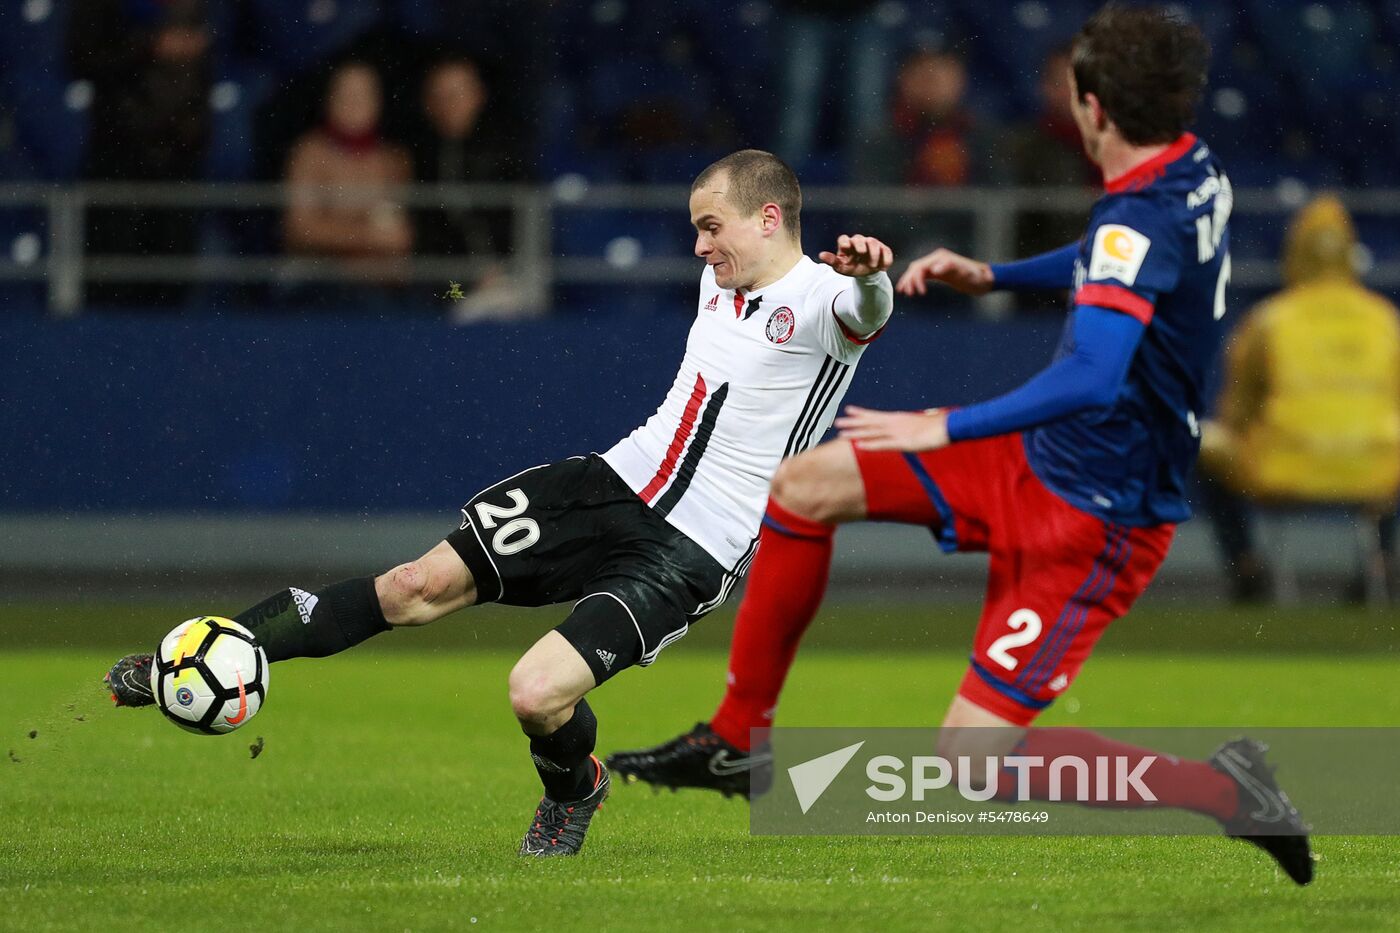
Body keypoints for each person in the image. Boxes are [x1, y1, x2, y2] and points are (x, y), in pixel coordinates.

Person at [607, 7, 1313, 886]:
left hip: (1100, 518)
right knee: (806, 485)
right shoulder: (1193, 167)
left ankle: (1223, 789)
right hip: (1042, 460)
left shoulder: (1143, 214)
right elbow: (1122, 256)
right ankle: (738, 736)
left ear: (1090, 107)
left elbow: (1095, 371)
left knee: (972, 763)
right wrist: (1000, 274)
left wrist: (943, 425)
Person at [103, 150, 896, 858]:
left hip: (690, 549)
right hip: (608, 484)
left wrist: (871, 275)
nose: (698, 246)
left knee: (536, 693)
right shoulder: (718, 279)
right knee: (411, 587)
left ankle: (573, 789)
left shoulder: (828, 301)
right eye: (695, 230)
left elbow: (869, 312)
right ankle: (211, 651)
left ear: (768, 217)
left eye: (710, 226)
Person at [1198, 194, 1400, 602]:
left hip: (1282, 470)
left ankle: (1247, 568)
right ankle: (1380, 562)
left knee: (1199, 440)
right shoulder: (1385, 319)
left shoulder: (1268, 319)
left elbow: (1235, 411)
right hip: (1376, 471)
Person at [68, 0, 211, 307]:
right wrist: (150, 46)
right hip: (120, 155)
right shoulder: (102, 8)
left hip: (179, 157)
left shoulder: (204, 8)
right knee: (114, 279)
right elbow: (82, 56)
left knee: (172, 282)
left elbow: (212, 68)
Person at [411, 57, 530, 322]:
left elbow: (528, 225)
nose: (449, 104)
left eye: (457, 94)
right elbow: (427, 243)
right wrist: (464, 284)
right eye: (439, 96)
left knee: (515, 310)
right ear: (427, 104)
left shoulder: (507, 154)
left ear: (478, 95)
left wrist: (502, 271)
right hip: (451, 288)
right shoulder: (422, 161)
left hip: (511, 279)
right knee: (450, 304)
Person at [283, 61, 414, 285]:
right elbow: (299, 229)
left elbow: (399, 237)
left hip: (381, 281)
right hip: (321, 280)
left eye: (363, 94)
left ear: (377, 101)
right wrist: (365, 237)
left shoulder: (394, 159)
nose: (353, 103)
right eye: (345, 93)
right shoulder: (310, 152)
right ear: (329, 100)